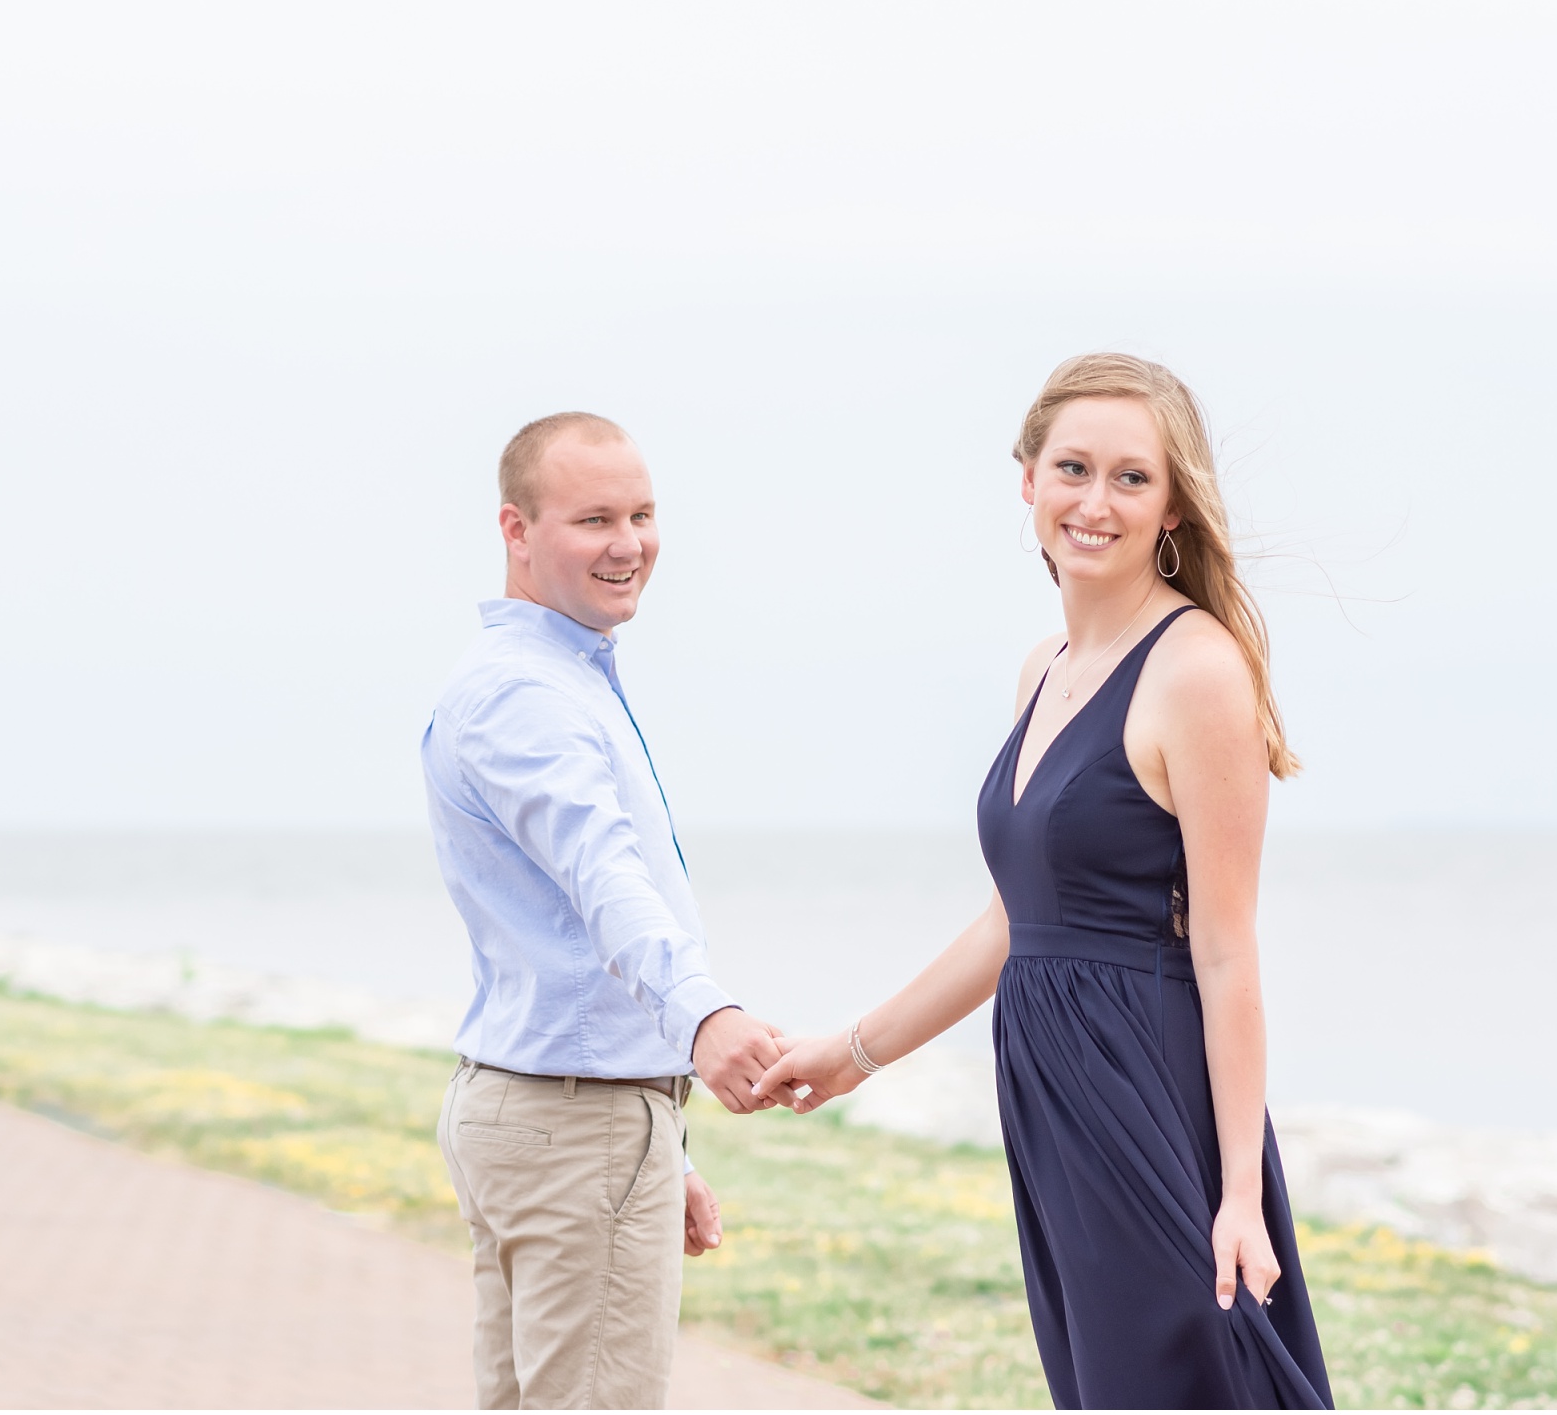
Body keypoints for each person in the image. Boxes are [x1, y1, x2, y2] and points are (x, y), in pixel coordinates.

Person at [756, 355, 1336, 1409]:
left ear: (1171, 505)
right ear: (1027, 479)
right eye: (1073, 467)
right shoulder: (1045, 666)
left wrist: (1240, 1189)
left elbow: (1224, 946)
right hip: (1051, 1082)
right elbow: (1012, 924)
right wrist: (852, 1054)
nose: (1095, 501)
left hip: (1145, 1084)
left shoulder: (1197, 669)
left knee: (1185, 1378)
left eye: (1131, 478)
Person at [423, 411, 792, 1410]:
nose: (629, 544)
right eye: (594, 518)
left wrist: (656, 1148)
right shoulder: (527, 697)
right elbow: (604, 876)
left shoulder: (548, 677)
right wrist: (705, 1016)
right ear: (516, 529)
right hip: (571, 1122)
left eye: (642, 513)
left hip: (561, 1114)